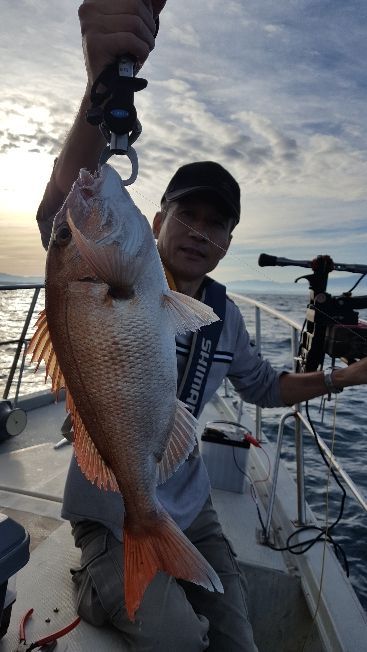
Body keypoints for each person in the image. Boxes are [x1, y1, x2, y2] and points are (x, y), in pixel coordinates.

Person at [36, 2, 367, 650]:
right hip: (113, 512)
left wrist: (349, 376)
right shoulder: (89, 270)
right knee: (179, 640)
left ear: (227, 244)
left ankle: (155, 554)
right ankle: (103, 578)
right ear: (155, 220)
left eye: (216, 225)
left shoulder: (222, 315)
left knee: (236, 638)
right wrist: (102, 82)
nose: (198, 231)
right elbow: (60, 209)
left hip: (191, 510)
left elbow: (265, 389)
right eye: (186, 214)